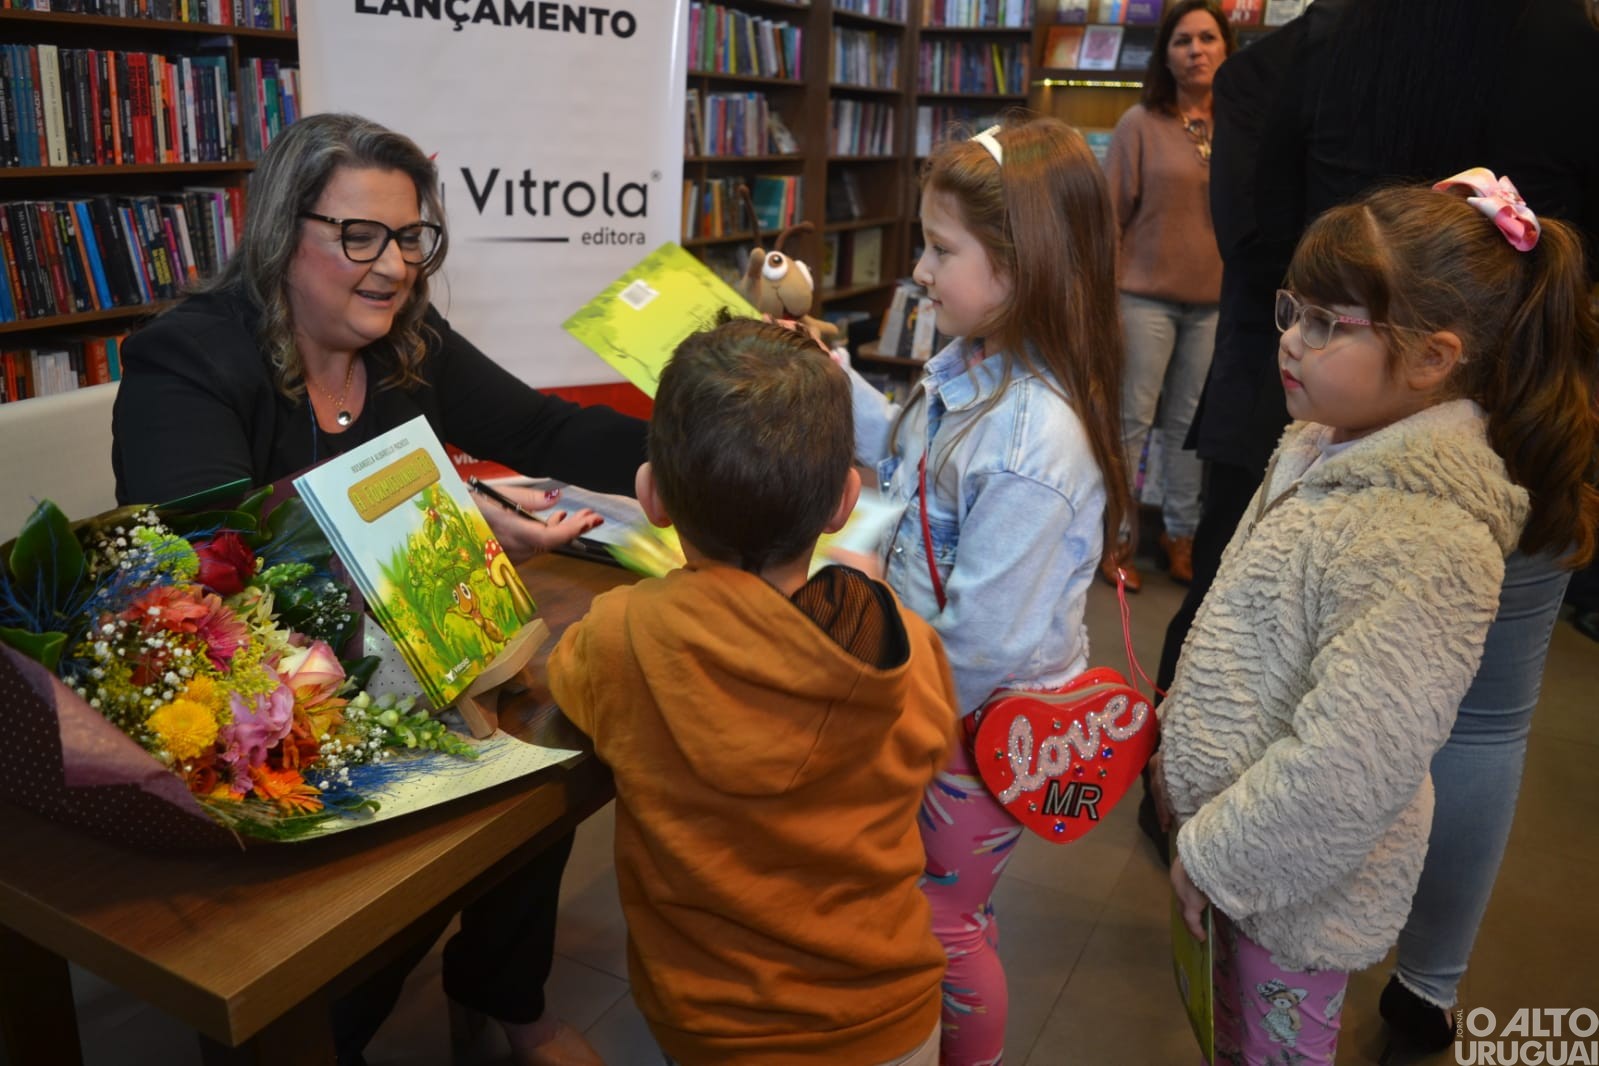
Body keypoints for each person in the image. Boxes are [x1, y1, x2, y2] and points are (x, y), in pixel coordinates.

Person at [110, 112, 647, 1066]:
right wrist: (446, 543)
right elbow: (207, 571)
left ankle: (497, 996)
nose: (394, 265)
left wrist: (710, 440)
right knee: (343, 975)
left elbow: (548, 431)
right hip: (257, 701)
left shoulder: (407, 341)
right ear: (281, 234)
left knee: (546, 749)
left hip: (399, 671)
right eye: (358, 235)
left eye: (410, 237)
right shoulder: (188, 360)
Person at [1150, 1, 1599, 1049]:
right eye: (1290, 313)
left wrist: (1215, 855)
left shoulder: (1427, 541)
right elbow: (1263, 609)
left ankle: (1426, 987)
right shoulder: (1321, 437)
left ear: (1436, 356)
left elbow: (1354, 762)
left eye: (1326, 324)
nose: (1290, 345)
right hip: (1244, 864)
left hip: (1287, 894)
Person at [546, 316, 958, 1066]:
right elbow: (931, 736)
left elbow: (567, 676)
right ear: (843, 502)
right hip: (891, 1018)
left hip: (717, 1031)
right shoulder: (904, 647)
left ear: (652, 496)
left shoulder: (623, 639)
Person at [847, 117, 1129, 1066]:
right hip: (941, 714)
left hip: (966, 735)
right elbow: (908, 468)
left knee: (941, 925)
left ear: (1027, 266)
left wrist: (891, 729)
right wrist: (835, 383)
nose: (920, 272)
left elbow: (987, 645)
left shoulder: (1035, 444)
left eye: (939, 249)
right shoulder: (974, 368)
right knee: (952, 904)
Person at [1100, 0, 1235, 590]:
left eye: (1208, 38)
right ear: (1166, 55)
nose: (1196, 49)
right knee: (1132, 422)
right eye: (1183, 40)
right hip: (1144, 300)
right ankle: (1116, 540)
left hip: (1213, 304)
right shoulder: (1139, 123)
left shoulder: (1240, 122)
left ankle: (1181, 536)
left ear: (1227, 48)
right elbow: (1108, 219)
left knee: (1188, 430)